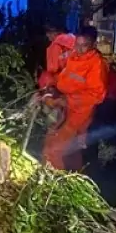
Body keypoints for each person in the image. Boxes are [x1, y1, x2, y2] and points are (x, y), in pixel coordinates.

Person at [43, 26, 109, 170]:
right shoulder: (74, 56)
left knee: (55, 148)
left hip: (79, 112)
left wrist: (67, 100)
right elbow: (66, 78)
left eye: (83, 46)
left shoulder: (96, 64)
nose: (78, 49)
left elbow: (96, 95)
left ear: (93, 45)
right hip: (66, 107)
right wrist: (52, 89)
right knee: (59, 145)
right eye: (77, 44)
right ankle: (67, 175)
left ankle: (57, 182)